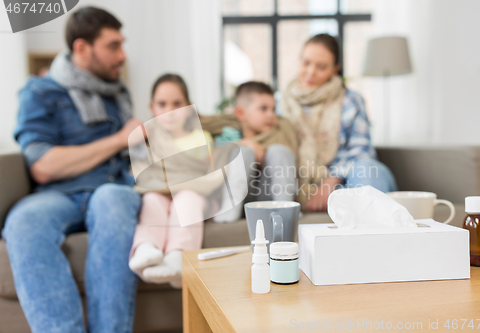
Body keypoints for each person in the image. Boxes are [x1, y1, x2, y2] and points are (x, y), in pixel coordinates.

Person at [1, 7, 142, 333]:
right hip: (58, 193)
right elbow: (43, 166)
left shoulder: (117, 92)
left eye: (122, 45)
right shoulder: (39, 92)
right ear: (81, 48)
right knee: (23, 221)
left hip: (111, 187)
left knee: (114, 201)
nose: (122, 56)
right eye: (112, 46)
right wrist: (120, 138)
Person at [280, 33, 398, 212]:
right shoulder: (279, 103)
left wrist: (331, 181)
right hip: (296, 185)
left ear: (335, 69)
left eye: (321, 67)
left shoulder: (351, 101)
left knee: (369, 169)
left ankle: (374, 232)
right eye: (306, 63)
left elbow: (361, 151)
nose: (311, 72)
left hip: (345, 184)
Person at [128, 74, 216, 286]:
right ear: (152, 108)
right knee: (150, 200)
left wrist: (177, 180)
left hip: (194, 194)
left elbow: (206, 174)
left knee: (186, 199)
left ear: (188, 107)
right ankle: (146, 247)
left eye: (177, 104)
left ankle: (178, 256)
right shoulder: (148, 139)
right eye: (162, 104)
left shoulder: (200, 138)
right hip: (160, 194)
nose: (170, 111)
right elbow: (141, 173)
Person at [202, 81, 298, 222]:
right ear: (241, 113)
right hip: (236, 196)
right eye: (263, 109)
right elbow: (212, 158)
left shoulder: (279, 134)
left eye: (273, 109)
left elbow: (287, 161)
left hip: (267, 196)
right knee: (243, 152)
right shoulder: (228, 135)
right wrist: (245, 143)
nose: (271, 115)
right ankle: (229, 213)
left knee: (279, 151)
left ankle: (286, 210)